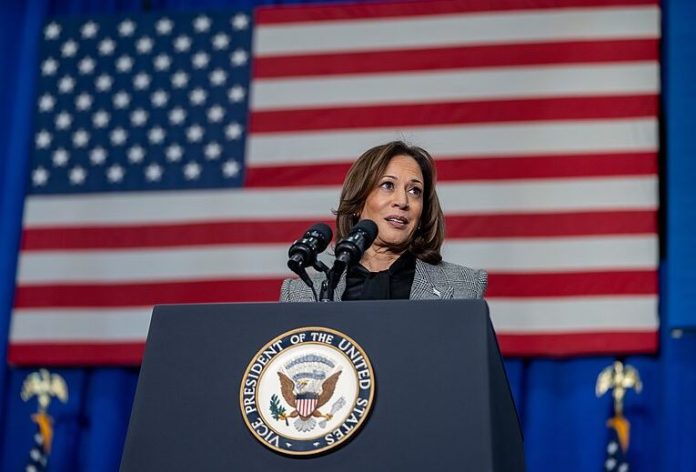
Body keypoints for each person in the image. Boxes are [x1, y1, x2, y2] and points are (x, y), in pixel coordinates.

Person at [280, 141, 487, 302]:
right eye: (388, 185)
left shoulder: (463, 287)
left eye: (415, 191)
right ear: (359, 202)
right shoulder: (301, 294)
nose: (402, 201)